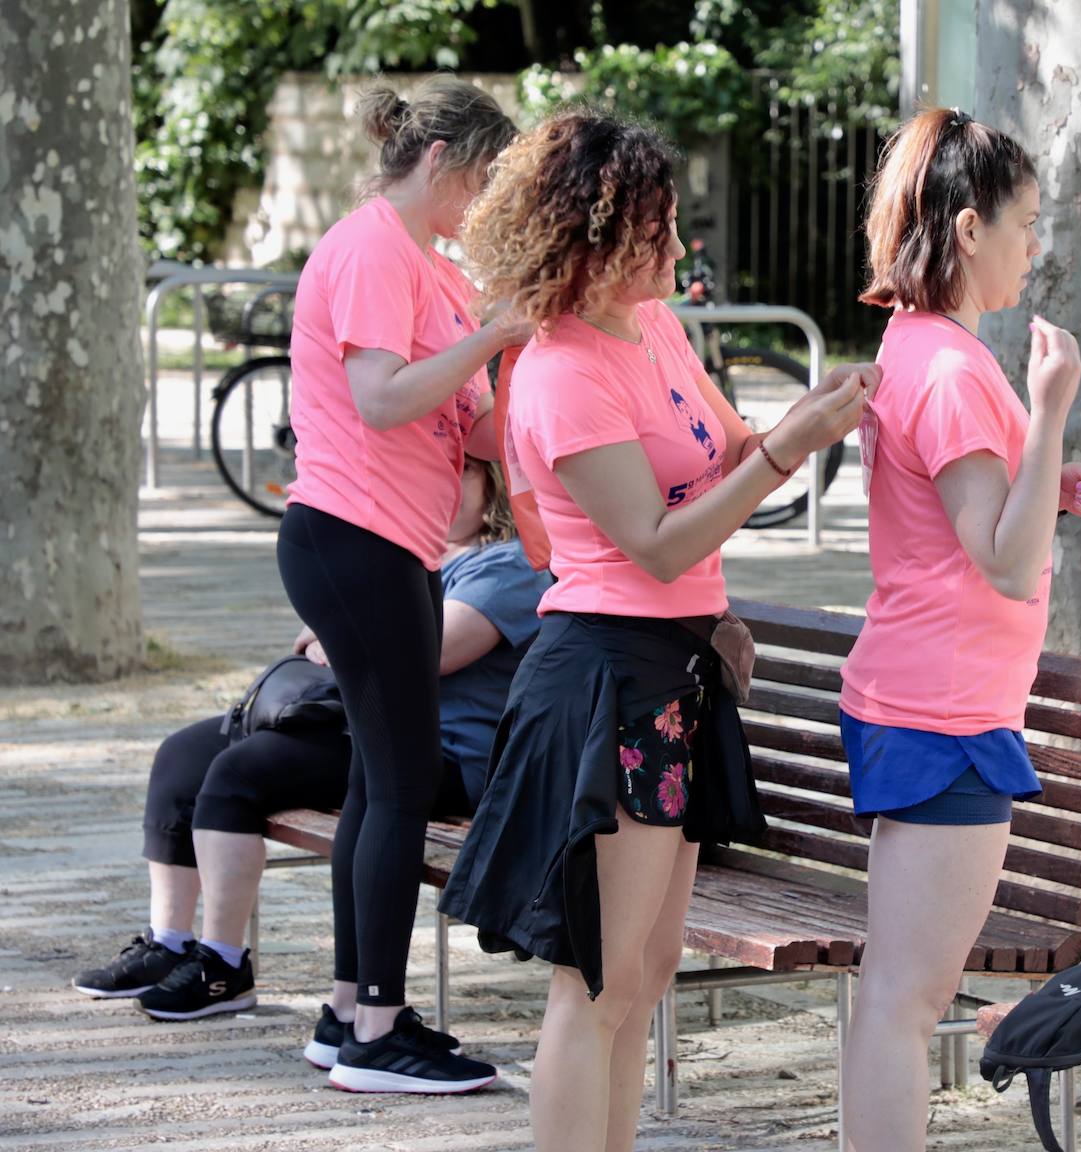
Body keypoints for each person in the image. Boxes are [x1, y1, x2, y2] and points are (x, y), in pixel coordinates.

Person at [437, 110, 881, 1152]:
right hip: (604, 681)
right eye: (656, 232)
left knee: (641, 978)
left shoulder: (657, 329)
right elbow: (656, 544)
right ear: (589, 240)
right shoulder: (560, 371)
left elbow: (729, 455)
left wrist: (812, 420)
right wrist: (789, 450)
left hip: (673, 674)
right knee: (593, 981)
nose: (679, 252)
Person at [836, 107, 1081, 1151]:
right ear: (966, 229)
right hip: (943, 709)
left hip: (923, 694)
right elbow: (1000, 561)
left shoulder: (918, 345)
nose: (1031, 245)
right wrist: (1049, 410)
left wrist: (1055, 480)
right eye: (1025, 223)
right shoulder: (955, 368)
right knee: (906, 1004)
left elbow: (975, 523)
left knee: (894, 998)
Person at [72, 460, 550, 1042]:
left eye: (461, 477)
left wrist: (344, 635)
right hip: (358, 722)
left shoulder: (509, 562)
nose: (439, 488)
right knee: (183, 756)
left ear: (494, 485)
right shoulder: (415, 555)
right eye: (432, 475)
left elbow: (425, 652)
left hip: (441, 755)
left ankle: (224, 964)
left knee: (238, 774)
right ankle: (170, 942)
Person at [275, 74, 528, 1094]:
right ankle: (378, 1028)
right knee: (398, 780)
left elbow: (464, 425)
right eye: (482, 188)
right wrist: (495, 338)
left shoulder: (429, 267)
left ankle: (350, 1015)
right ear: (441, 164)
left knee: (378, 783)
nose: (483, 212)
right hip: (351, 538)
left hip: (395, 547)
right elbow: (381, 400)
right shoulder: (373, 247)